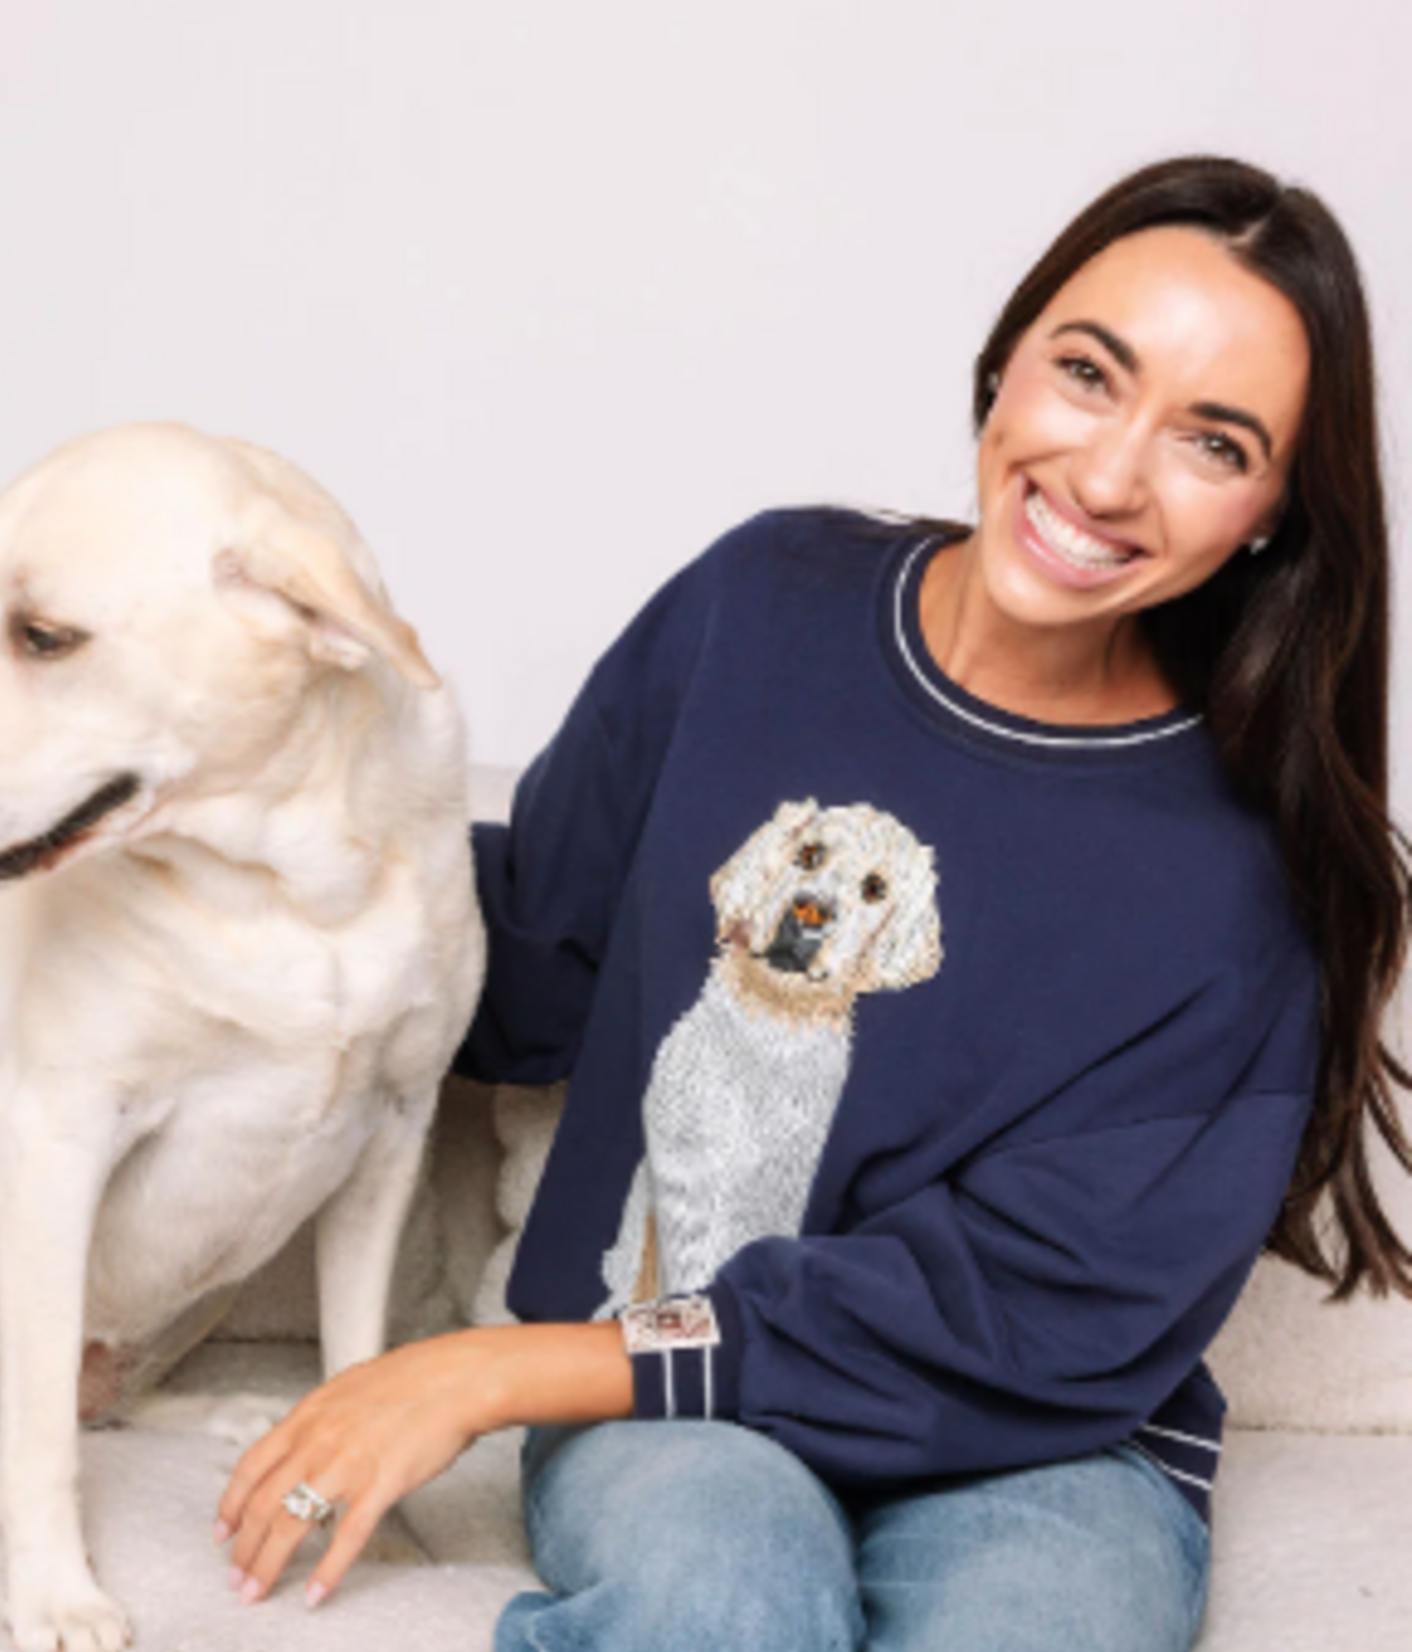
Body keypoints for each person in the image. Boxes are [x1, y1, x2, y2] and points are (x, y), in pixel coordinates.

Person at [213, 154, 1412, 1651]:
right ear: (1006, 362)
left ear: (1276, 517)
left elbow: (1023, 1316)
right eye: (1088, 373)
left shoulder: (1251, 871)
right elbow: (530, 958)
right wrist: (223, 830)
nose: (1109, 476)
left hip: (1044, 1440)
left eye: (1214, 443)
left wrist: (484, 1371)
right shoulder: (761, 605)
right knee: (720, 1610)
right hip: (663, 1393)